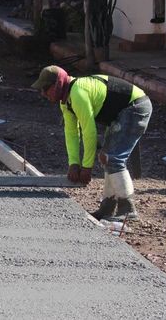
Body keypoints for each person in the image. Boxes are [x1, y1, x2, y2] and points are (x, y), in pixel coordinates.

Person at [31, 66, 153, 221]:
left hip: (135, 108)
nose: (43, 94)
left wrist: (87, 167)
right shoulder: (65, 101)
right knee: (106, 158)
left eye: (45, 88)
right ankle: (107, 208)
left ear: (58, 84)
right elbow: (72, 133)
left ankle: (128, 209)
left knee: (112, 158)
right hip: (122, 112)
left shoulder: (78, 93)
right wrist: (74, 164)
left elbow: (89, 132)